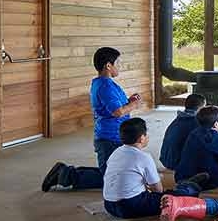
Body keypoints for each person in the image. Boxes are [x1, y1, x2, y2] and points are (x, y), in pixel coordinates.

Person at [41, 47, 142, 191]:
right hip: (109, 139)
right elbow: (118, 112)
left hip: (114, 136)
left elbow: (117, 105)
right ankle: (64, 174)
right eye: (118, 63)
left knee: (114, 173)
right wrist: (134, 105)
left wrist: (129, 101)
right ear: (108, 65)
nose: (120, 66)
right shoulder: (105, 86)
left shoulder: (106, 83)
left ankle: (65, 172)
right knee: (110, 178)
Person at [102, 118, 208, 219]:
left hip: (109, 205)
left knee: (164, 193)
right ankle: (190, 186)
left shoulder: (116, 153)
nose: (147, 137)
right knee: (176, 197)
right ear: (141, 138)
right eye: (146, 134)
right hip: (130, 206)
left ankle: (184, 185)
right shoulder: (143, 157)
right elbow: (158, 189)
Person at [160, 93, 206, 170]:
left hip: (166, 159)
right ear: (201, 108)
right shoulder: (196, 123)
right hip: (177, 164)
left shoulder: (179, 118)